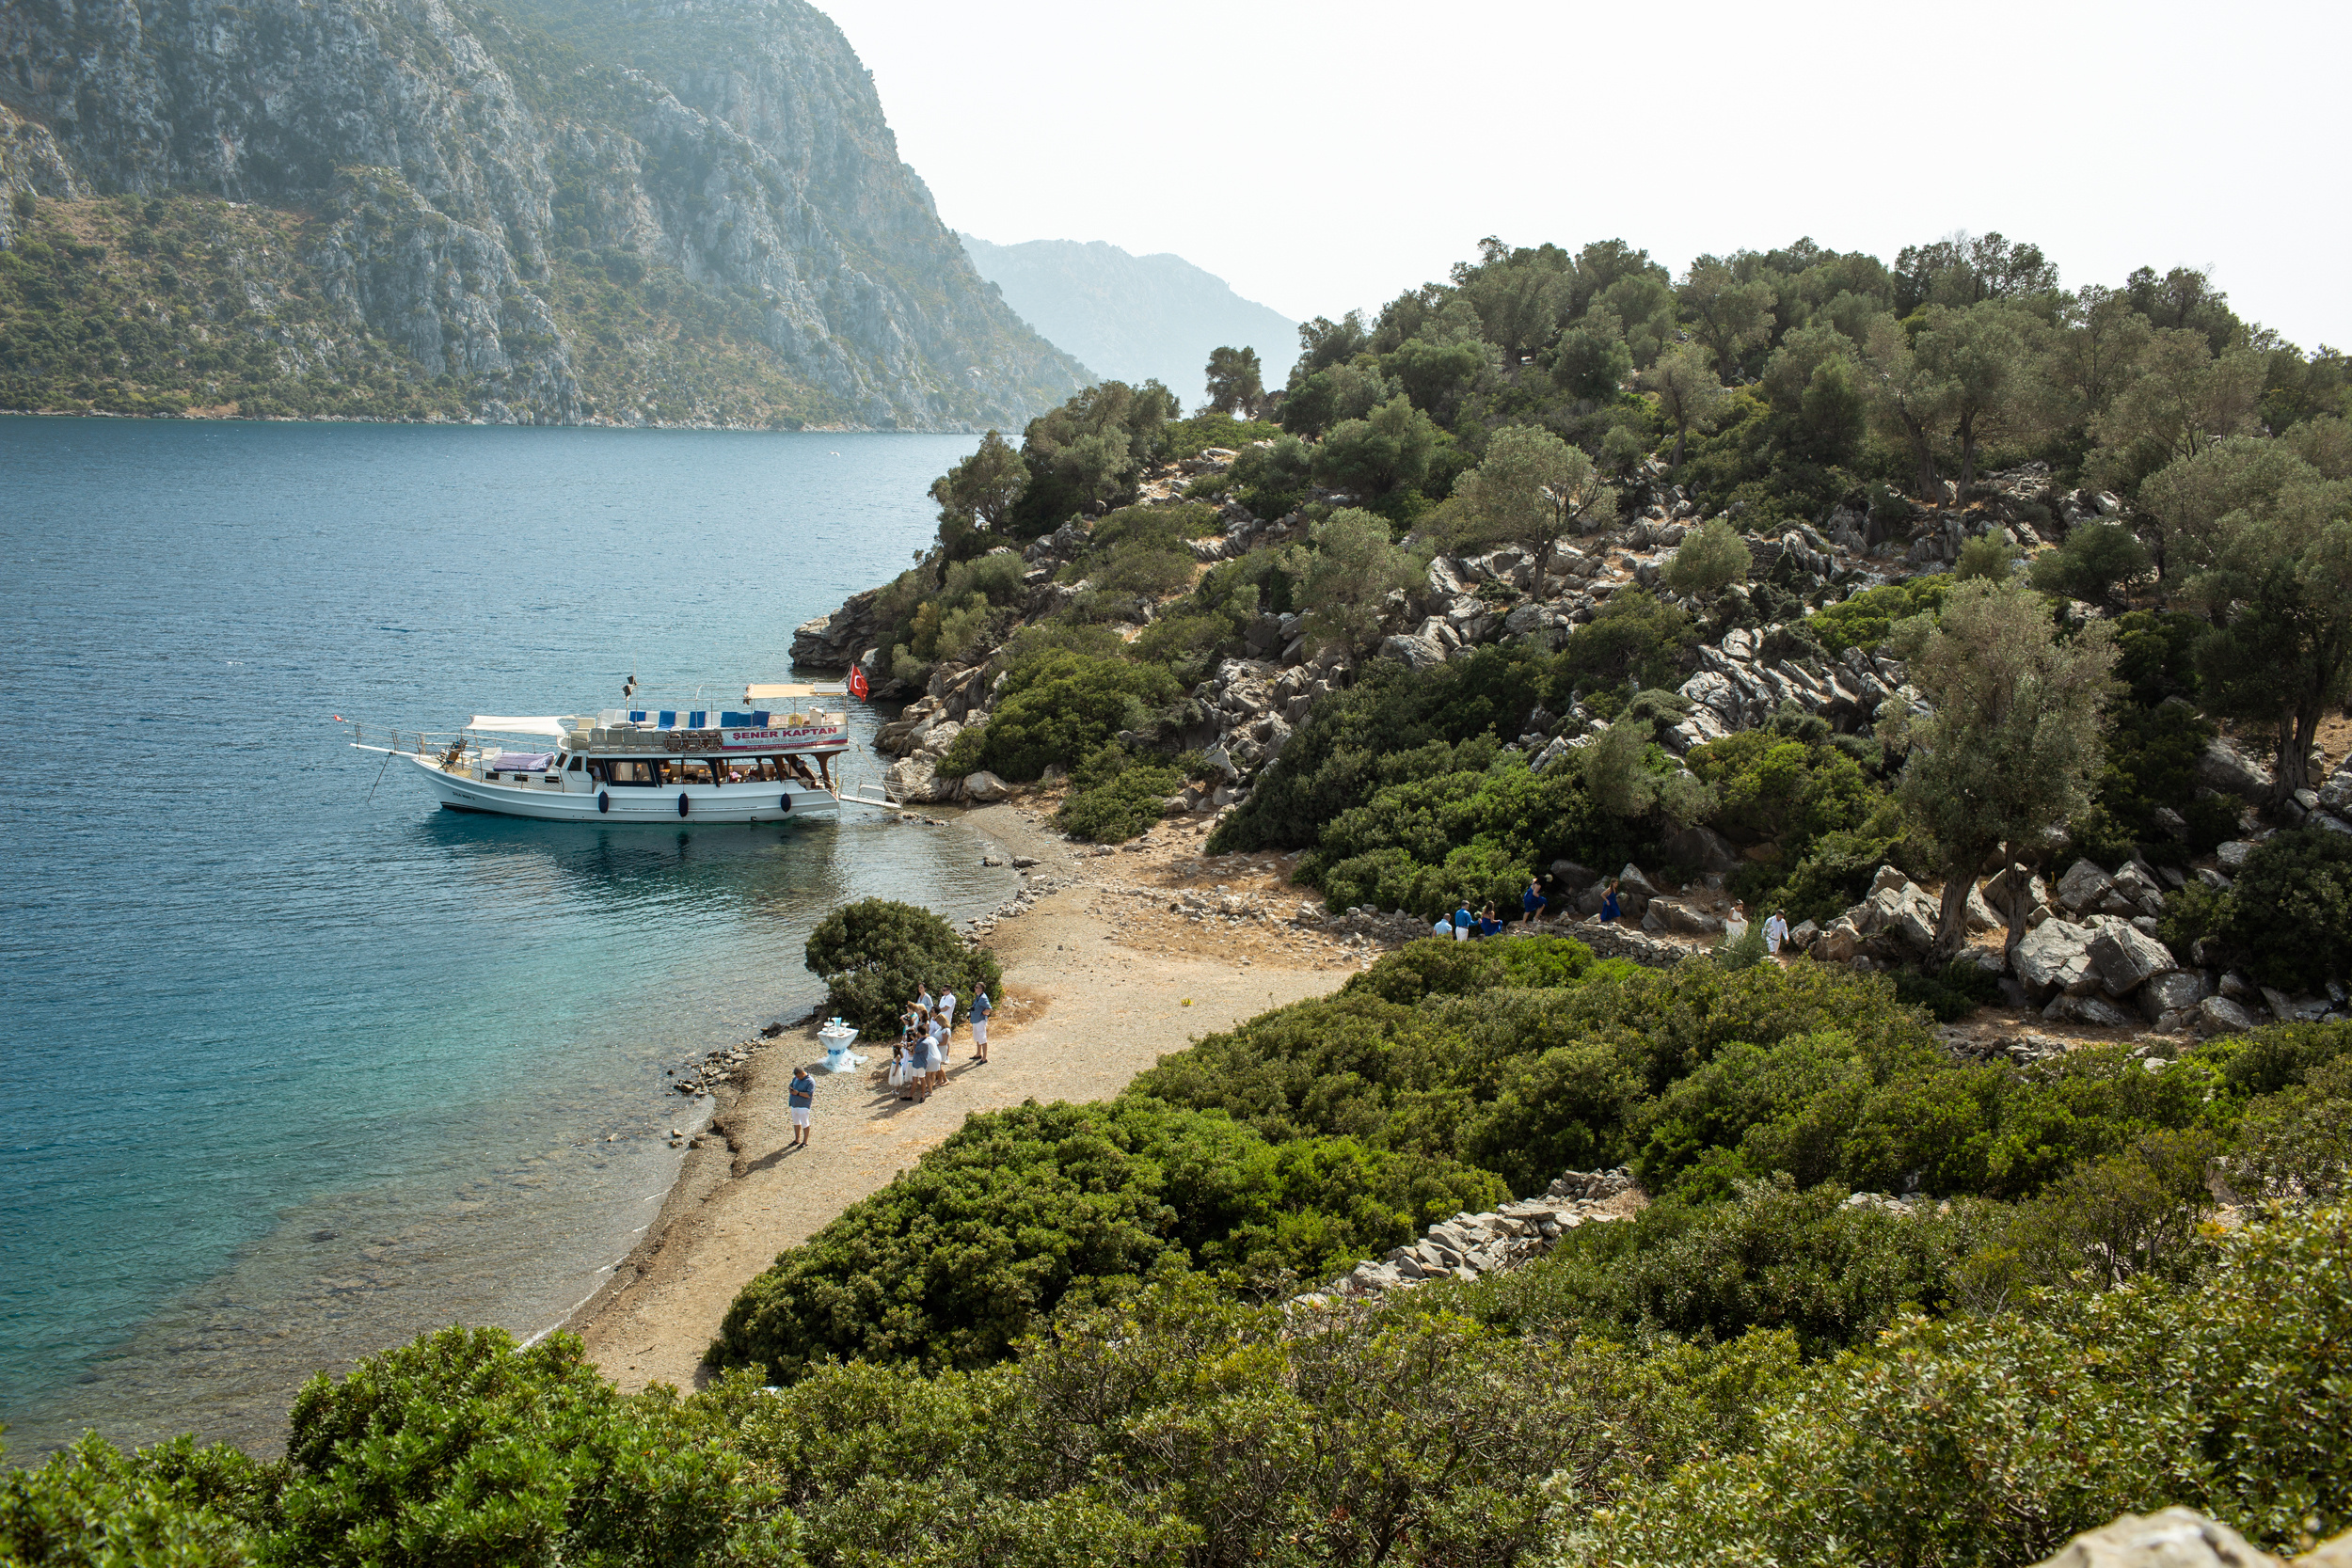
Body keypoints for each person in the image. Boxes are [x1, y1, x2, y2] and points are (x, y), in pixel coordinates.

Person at [787, 1066, 815, 1148]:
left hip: (803, 1106)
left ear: (803, 1073)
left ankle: (805, 1141)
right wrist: (791, 1089)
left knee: (804, 1123)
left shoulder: (810, 1081)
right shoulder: (796, 1079)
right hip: (794, 1104)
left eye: (799, 1076)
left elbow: (809, 1094)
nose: (797, 1078)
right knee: (796, 1122)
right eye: (796, 1076)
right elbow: (791, 1085)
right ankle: (797, 1139)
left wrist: (798, 1093)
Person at [969, 985, 992, 1062]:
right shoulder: (978, 996)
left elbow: (989, 1008)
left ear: (981, 989)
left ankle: (984, 1058)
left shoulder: (983, 998)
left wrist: (984, 1012)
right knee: (977, 1037)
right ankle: (978, 1053)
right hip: (975, 1020)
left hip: (980, 1020)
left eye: (976, 987)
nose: (974, 988)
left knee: (982, 1038)